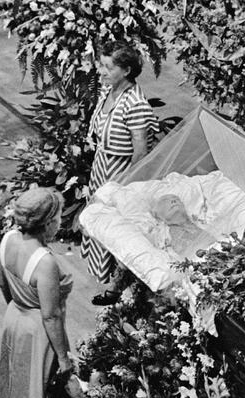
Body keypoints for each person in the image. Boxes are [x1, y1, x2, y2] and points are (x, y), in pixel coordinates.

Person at [0, 187, 75, 398]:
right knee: (44, 392)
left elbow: (2, 284)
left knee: (23, 386)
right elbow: (51, 315)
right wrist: (64, 358)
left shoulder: (6, 241)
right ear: (48, 222)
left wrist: (19, 309)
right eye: (58, 218)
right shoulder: (45, 262)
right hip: (39, 332)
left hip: (14, 318)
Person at [81, 40, 159, 305]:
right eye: (100, 65)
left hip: (121, 175)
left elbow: (140, 153)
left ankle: (119, 291)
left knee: (120, 232)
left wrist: (126, 187)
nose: (101, 71)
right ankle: (116, 286)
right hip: (102, 169)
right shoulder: (108, 92)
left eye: (107, 67)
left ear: (126, 70)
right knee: (102, 227)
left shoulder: (135, 104)